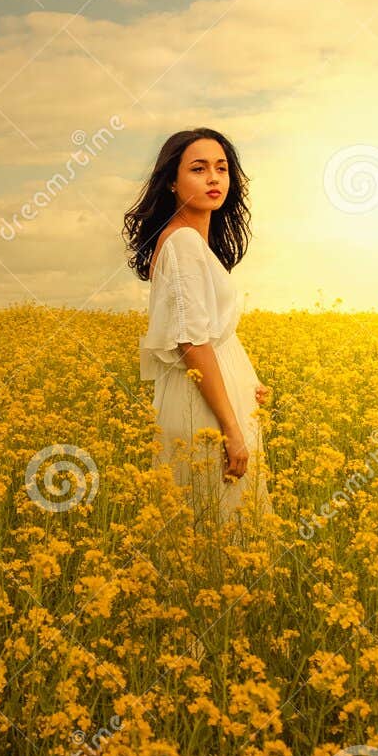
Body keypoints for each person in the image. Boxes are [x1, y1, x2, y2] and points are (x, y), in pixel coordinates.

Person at [124, 128, 274, 531]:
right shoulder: (184, 243)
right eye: (198, 168)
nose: (214, 178)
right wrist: (231, 428)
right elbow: (192, 341)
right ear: (171, 181)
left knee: (211, 528)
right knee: (221, 529)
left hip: (214, 398)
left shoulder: (185, 242)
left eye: (222, 168)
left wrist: (250, 382)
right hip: (207, 412)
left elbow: (209, 333)